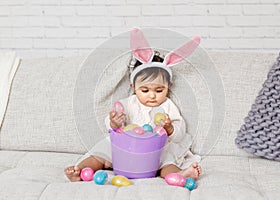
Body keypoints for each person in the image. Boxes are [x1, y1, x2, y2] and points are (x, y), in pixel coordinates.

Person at [64, 28, 202, 182]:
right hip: (125, 150)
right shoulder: (128, 103)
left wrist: (170, 128)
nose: (152, 95)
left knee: (166, 159)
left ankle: (179, 174)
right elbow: (113, 127)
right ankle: (79, 171)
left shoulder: (167, 105)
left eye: (159, 90)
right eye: (144, 90)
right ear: (132, 86)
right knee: (101, 152)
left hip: (153, 152)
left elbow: (180, 130)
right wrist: (114, 122)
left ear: (168, 86)